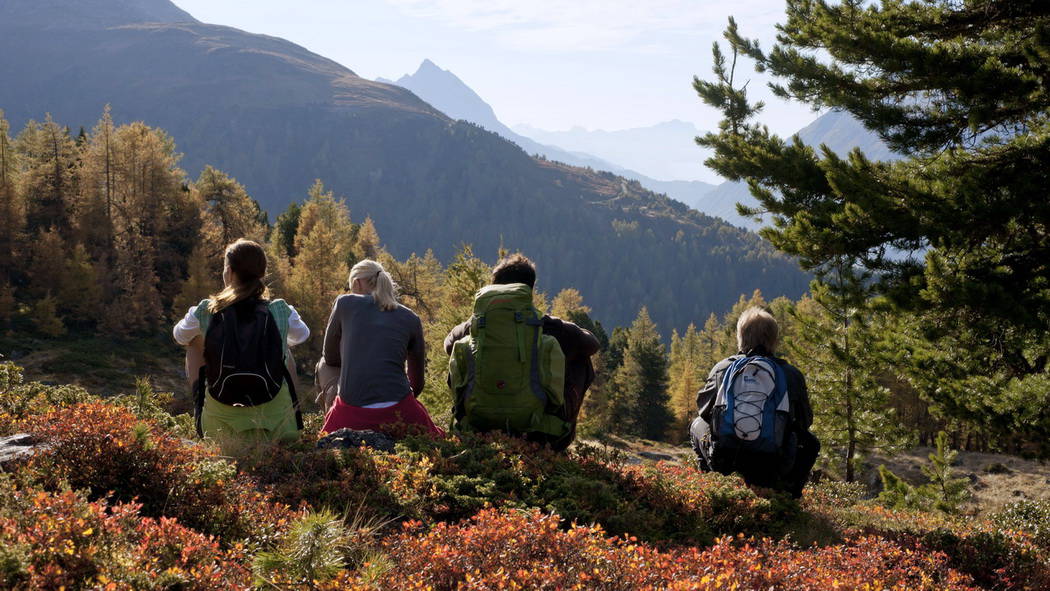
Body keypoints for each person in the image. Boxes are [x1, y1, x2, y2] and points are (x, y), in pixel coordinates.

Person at [443, 253, 599, 451]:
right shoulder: (552, 327)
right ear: (529, 291)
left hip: (479, 426)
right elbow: (593, 344)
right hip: (539, 435)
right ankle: (557, 437)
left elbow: (448, 347)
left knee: (459, 352)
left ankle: (471, 428)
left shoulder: (472, 329)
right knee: (581, 360)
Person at [173, 239, 309, 451]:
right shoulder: (280, 310)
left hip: (219, 427)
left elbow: (179, 335)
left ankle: (201, 409)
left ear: (229, 272)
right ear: (262, 273)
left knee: (194, 342)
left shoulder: (205, 311)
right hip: (277, 428)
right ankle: (290, 413)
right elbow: (302, 335)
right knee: (284, 347)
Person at [689, 306, 819, 498]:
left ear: (741, 336)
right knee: (811, 443)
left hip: (725, 461)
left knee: (696, 424)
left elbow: (704, 410)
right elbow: (804, 421)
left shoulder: (723, 368)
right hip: (773, 464)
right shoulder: (790, 374)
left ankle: (710, 486)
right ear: (774, 339)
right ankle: (788, 496)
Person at [317, 259, 443, 437]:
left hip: (351, 412)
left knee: (322, 364)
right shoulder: (410, 318)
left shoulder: (345, 304)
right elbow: (417, 383)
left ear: (357, 282)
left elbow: (330, 357)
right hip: (400, 411)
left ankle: (329, 407)